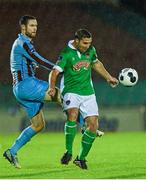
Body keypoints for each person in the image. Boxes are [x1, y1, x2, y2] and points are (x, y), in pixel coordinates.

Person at [48, 29, 119, 170]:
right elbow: (54, 72)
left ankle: (80, 159)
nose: (87, 46)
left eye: (89, 43)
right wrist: (51, 87)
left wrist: (109, 77)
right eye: (85, 43)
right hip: (71, 91)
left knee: (93, 125)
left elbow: (96, 64)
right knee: (72, 115)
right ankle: (68, 151)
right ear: (77, 41)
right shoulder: (66, 53)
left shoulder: (91, 50)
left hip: (88, 92)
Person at [3, 15, 61, 168]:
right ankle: (85, 126)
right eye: (32, 26)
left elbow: (28, 61)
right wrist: (57, 68)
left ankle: (12, 151)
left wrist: (31, 64)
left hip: (19, 89)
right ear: (23, 27)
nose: (35, 28)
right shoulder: (23, 43)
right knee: (60, 95)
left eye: (36, 25)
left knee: (38, 125)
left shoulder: (21, 43)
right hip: (27, 85)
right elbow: (40, 59)